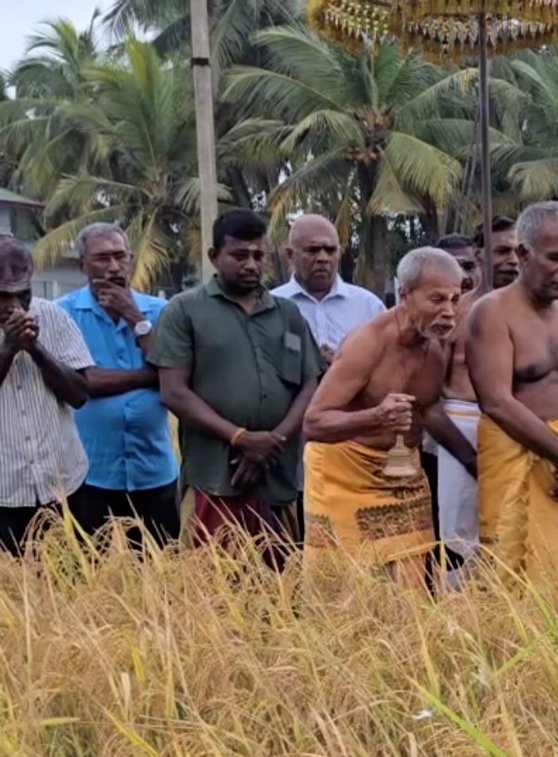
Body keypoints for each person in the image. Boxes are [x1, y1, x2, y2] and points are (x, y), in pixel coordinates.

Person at [467, 201, 558, 627]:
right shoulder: (491, 313)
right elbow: (495, 401)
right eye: (556, 258)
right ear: (523, 254)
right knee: (514, 578)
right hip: (525, 460)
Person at [149, 211, 320, 565]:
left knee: (280, 589)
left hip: (277, 478)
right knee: (214, 592)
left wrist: (271, 444)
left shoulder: (287, 314)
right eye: (239, 255)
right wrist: (241, 438)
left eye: (258, 256)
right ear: (214, 256)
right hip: (215, 476)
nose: (251, 265)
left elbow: (309, 383)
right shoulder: (184, 310)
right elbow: (175, 392)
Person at [301, 247, 475, 587]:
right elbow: (314, 422)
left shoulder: (437, 344)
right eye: (437, 299)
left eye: (455, 299)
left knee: (411, 588)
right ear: (405, 294)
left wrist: (473, 460)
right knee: (345, 588)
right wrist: (376, 417)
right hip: (344, 476)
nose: (449, 312)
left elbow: (427, 408)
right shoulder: (368, 343)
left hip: (403, 478)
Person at [57, 223, 179, 548]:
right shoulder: (64, 314)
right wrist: (150, 375)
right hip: (92, 474)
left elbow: (172, 372)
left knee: (163, 572)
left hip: (154, 471)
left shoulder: (160, 311)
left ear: (130, 260)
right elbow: (84, 384)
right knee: (91, 574)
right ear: (82, 265)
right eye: (101, 259)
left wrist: (134, 317)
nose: (113, 267)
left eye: (119, 257)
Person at [0, 237, 92, 554]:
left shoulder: (54, 317)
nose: (14, 306)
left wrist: (36, 349)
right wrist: (9, 350)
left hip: (64, 486)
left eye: (23, 294)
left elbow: (80, 395)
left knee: (71, 586)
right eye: (3, 296)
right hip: (4, 492)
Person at [426, 232, 484, 583]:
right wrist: (469, 457)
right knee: (457, 540)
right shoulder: (442, 322)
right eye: (454, 267)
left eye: (469, 265)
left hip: (510, 437)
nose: (464, 276)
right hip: (455, 439)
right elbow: (429, 404)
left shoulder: (505, 307)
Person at [271, 214, 386, 367]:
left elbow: (388, 360)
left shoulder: (368, 306)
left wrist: (346, 363)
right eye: (312, 250)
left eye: (330, 250)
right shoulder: (272, 305)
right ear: (290, 255)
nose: (323, 258)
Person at [478, 215, 520, 290]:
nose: (514, 260)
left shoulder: (541, 300)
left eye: (520, 252)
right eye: (502, 251)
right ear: (478, 255)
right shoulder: (460, 301)